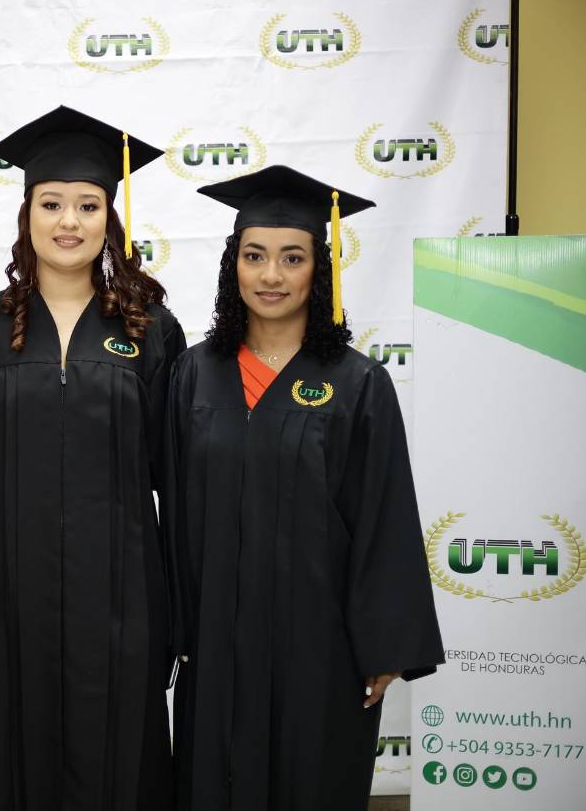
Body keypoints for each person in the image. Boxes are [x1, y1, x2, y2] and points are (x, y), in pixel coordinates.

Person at [163, 165, 444, 810]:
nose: (271, 276)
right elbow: (173, 516)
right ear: (232, 265)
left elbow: (385, 516)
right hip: (217, 642)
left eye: (293, 258)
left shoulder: (357, 382)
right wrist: (173, 633)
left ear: (320, 270)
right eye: (255, 256)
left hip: (320, 644)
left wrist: (382, 645)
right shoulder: (193, 375)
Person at [0, 106, 186, 810]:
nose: (68, 221)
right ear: (27, 215)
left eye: (87, 204)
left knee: (124, 752)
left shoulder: (150, 330)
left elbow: (180, 476)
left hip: (125, 590)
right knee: (13, 745)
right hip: (5, 589)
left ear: (111, 216)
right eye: (51, 204)